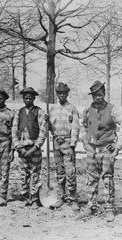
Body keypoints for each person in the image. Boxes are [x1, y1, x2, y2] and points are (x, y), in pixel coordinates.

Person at [79, 80, 122, 222]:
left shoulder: (113, 109)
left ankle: (109, 207)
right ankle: (91, 204)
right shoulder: (87, 110)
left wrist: (117, 145)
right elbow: (83, 126)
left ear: (104, 94)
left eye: (100, 94)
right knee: (91, 178)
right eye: (94, 95)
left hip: (106, 149)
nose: (97, 97)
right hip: (92, 149)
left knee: (107, 178)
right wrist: (85, 141)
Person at [12, 87, 47, 209]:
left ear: (34, 99)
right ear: (23, 99)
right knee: (23, 174)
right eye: (25, 98)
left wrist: (35, 147)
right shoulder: (19, 112)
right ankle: (26, 197)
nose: (28, 100)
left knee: (35, 173)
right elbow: (14, 131)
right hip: (22, 148)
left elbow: (43, 132)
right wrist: (18, 146)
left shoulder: (39, 112)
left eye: (30, 98)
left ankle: (35, 198)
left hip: (34, 148)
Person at [48, 82, 80, 211]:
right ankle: (61, 197)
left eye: (64, 93)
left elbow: (76, 127)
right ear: (56, 94)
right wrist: (46, 122)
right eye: (59, 93)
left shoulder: (72, 108)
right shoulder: (52, 109)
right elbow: (50, 128)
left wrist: (72, 144)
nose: (61, 95)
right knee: (59, 171)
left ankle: (73, 199)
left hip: (67, 141)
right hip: (56, 141)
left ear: (67, 94)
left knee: (70, 171)